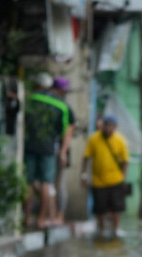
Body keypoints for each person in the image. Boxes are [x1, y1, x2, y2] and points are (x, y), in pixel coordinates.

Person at [23, 72, 69, 229]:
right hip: (48, 148)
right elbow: (64, 130)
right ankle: (41, 219)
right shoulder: (60, 105)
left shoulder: (29, 100)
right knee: (46, 183)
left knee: (28, 181)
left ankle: (27, 218)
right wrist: (62, 150)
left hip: (29, 145)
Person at [81, 114, 129, 240]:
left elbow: (125, 161)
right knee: (99, 208)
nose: (109, 129)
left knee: (116, 208)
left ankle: (115, 230)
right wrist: (84, 175)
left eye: (111, 126)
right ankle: (101, 229)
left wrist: (123, 177)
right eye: (107, 126)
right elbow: (86, 157)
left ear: (115, 127)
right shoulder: (94, 139)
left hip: (116, 180)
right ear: (103, 126)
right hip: (98, 181)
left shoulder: (120, 141)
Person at [50, 77, 76, 224]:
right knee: (49, 183)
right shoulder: (51, 105)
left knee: (59, 184)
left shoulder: (65, 108)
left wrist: (63, 152)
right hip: (48, 149)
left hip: (59, 151)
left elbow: (69, 131)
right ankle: (52, 214)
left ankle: (59, 215)